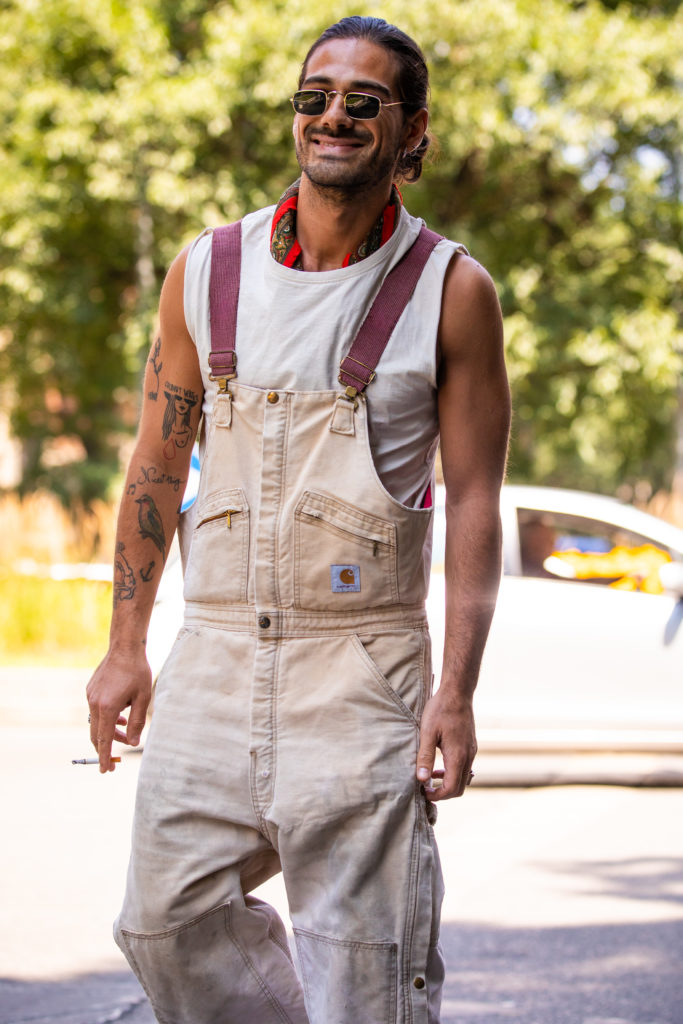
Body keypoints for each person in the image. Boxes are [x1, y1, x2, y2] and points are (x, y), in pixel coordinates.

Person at [86, 15, 510, 1024]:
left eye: (364, 102)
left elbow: (478, 509)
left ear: (413, 135)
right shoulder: (208, 269)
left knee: (368, 975)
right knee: (161, 923)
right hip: (215, 657)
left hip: (360, 672)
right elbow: (155, 463)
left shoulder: (451, 291)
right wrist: (122, 647)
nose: (333, 115)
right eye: (315, 96)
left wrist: (454, 690)